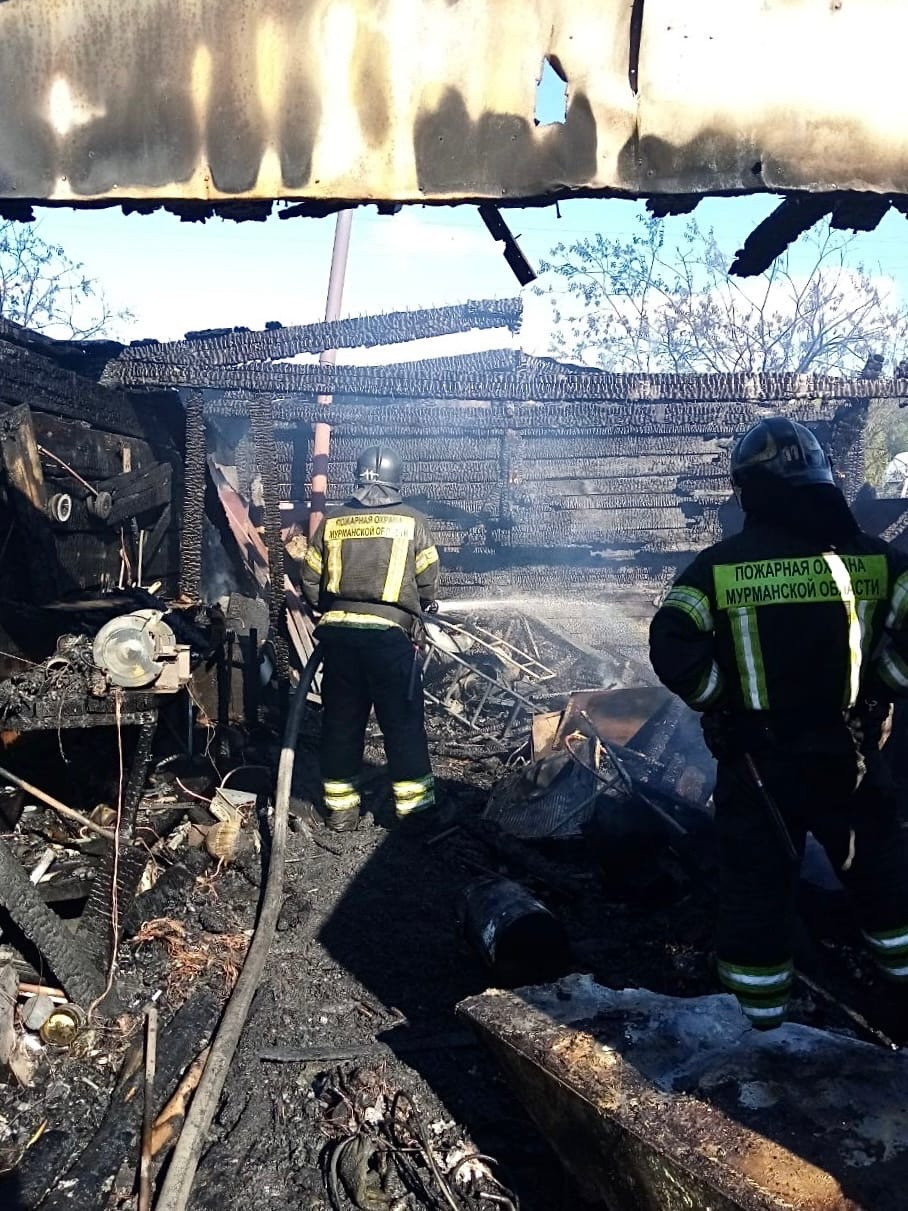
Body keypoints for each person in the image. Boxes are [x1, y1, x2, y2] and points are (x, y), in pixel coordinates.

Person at [649, 417, 908, 1029]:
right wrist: (883, 684)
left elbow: (671, 641)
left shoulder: (719, 566)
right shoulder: (878, 561)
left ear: (749, 491)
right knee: (883, 879)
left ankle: (754, 1029)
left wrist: (720, 701)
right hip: (853, 755)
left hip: (760, 761)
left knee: (757, 895)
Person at [300, 446, 440, 832]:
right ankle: (413, 813)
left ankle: (341, 812)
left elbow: (309, 579)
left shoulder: (333, 521)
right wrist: (419, 607)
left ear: (357, 477)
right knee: (402, 723)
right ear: (397, 480)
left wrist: (332, 607)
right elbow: (428, 581)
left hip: (340, 640)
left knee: (341, 723)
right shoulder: (412, 521)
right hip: (389, 640)